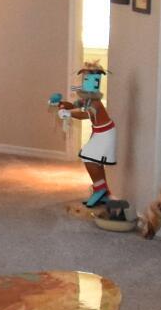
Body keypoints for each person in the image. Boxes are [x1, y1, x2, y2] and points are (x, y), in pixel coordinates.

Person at [51, 75, 130, 227]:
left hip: (105, 133)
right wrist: (62, 105)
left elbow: (85, 115)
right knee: (92, 159)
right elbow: (74, 105)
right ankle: (102, 189)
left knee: (89, 157)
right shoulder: (87, 101)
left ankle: (100, 188)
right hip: (100, 132)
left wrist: (68, 113)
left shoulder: (95, 104)